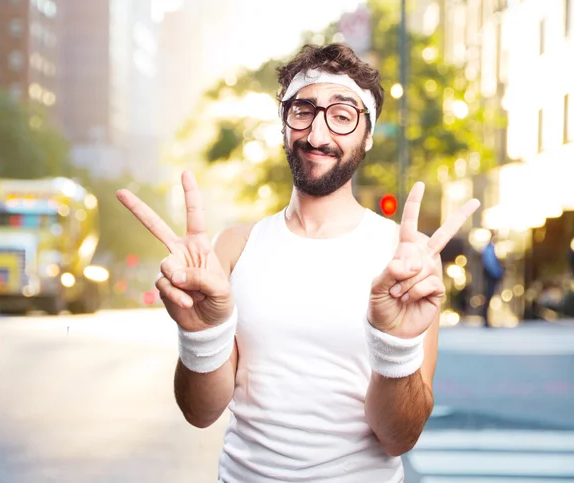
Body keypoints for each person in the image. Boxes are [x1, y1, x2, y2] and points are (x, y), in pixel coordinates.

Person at [117, 44, 479, 483]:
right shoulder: (234, 246)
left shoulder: (407, 260)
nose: (317, 135)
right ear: (284, 124)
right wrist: (199, 335)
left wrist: (395, 347)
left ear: (367, 135)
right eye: (303, 110)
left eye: (342, 115)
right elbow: (200, 413)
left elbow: (398, 438)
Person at [481, 233, 505, 327]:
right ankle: (486, 319)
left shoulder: (490, 249)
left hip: (491, 275)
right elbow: (491, 264)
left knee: (488, 297)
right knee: (488, 297)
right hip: (491, 276)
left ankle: (486, 319)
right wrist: (498, 273)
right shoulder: (489, 249)